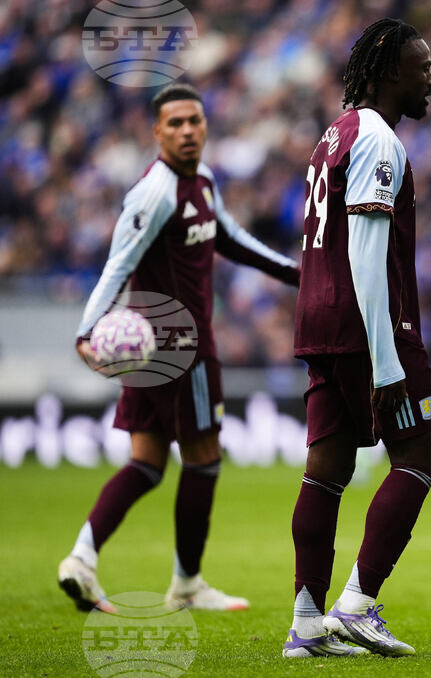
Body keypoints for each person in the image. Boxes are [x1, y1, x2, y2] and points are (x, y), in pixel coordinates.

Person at [59, 83, 301, 614]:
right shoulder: (155, 193)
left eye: (194, 120)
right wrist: (85, 331)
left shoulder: (204, 181)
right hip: (180, 348)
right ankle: (187, 582)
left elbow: (232, 238)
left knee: (146, 463)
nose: (187, 131)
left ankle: (81, 558)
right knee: (204, 457)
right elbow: (117, 264)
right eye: (175, 123)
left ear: (206, 124)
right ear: (156, 132)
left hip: (149, 349)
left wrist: (294, 273)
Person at [282, 18, 431, 659]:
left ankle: (305, 627)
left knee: (327, 469)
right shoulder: (376, 139)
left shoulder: (334, 132)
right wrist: (386, 365)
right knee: (418, 458)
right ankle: (359, 603)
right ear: (388, 72)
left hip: (317, 324)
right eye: (421, 66)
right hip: (369, 328)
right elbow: (367, 258)